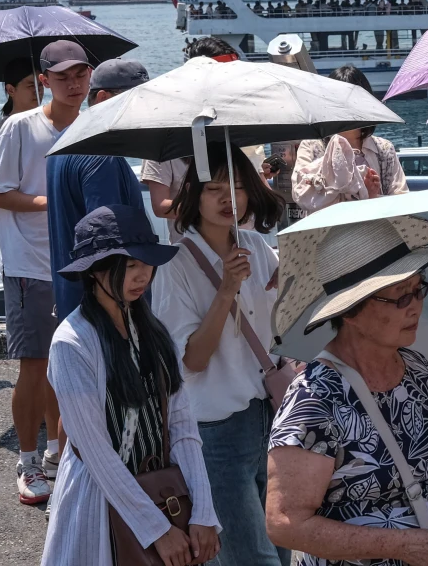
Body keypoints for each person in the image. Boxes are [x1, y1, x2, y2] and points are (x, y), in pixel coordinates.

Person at [266, 219, 428, 566]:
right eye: (400, 296)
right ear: (350, 311)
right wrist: (400, 546)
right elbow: (284, 523)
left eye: (419, 289)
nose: (415, 306)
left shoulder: (417, 370)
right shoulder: (314, 398)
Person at [42, 205, 221, 566]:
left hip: (163, 492)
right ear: (95, 271)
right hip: (99, 500)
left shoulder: (153, 331)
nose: (143, 276)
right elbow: (94, 451)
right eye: (131, 265)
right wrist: (156, 530)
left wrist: (203, 510)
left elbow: (182, 426)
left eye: (147, 263)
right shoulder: (72, 342)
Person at [153, 143, 289, 566]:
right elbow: (191, 361)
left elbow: (282, 332)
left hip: (271, 414)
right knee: (252, 557)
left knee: (281, 545)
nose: (229, 198)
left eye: (238, 187)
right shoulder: (174, 265)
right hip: (216, 429)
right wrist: (227, 288)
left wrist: (297, 280)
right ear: (193, 195)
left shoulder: (257, 246)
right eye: (214, 189)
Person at [0, 40, 91, 505]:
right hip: (28, 263)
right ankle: (27, 460)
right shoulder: (20, 126)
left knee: (66, 364)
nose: (74, 83)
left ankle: (56, 453)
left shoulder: (92, 126)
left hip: (78, 262)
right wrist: (52, 202)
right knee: (34, 365)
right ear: (44, 80)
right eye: (62, 76)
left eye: (81, 74)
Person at [48, 59, 150, 323]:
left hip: (75, 303)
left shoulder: (65, 140)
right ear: (103, 98)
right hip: (108, 312)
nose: (145, 111)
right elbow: (108, 246)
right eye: (137, 101)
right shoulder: (102, 158)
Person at [141, 37, 239, 239]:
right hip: (192, 250)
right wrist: (208, 209)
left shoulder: (239, 123)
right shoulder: (165, 132)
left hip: (245, 243)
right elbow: (160, 206)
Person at [292, 66, 408, 214]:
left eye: (354, 102)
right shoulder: (311, 146)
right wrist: (365, 195)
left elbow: (400, 198)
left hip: (375, 227)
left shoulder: (384, 149)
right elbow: (301, 195)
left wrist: (373, 197)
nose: (347, 109)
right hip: (329, 228)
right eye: (339, 102)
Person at [0, 58, 44, 159]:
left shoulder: (50, 121)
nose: (38, 90)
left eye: (40, 85)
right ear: (11, 90)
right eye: (31, 86)